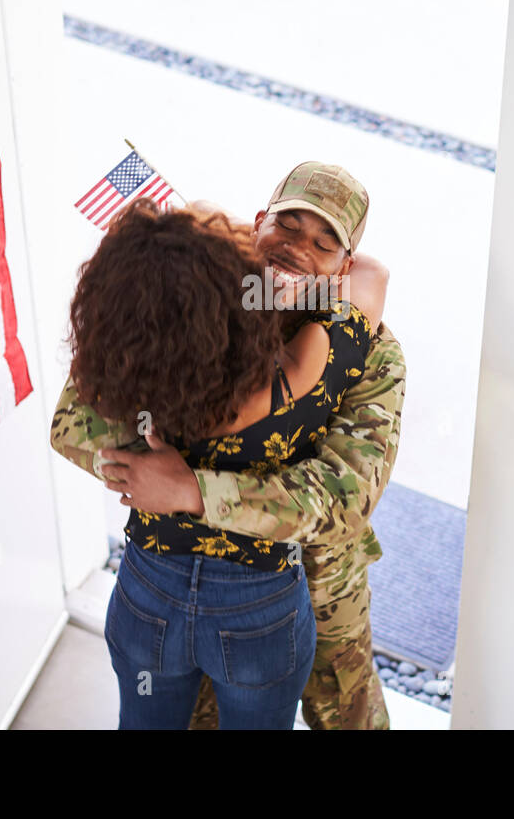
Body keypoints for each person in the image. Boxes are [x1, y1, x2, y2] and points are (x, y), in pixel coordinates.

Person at [58, 161, 407, 730]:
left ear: (342, 267)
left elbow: (341, 500)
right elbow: (74, 424)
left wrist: (189, 489)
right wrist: (145, 475)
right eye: (287, 228)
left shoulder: (370, 350)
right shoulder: (189, 302)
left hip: (315, 582)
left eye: (323, 243)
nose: (297, 248)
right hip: (178, 576)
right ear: (257, 225)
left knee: (345, 717)